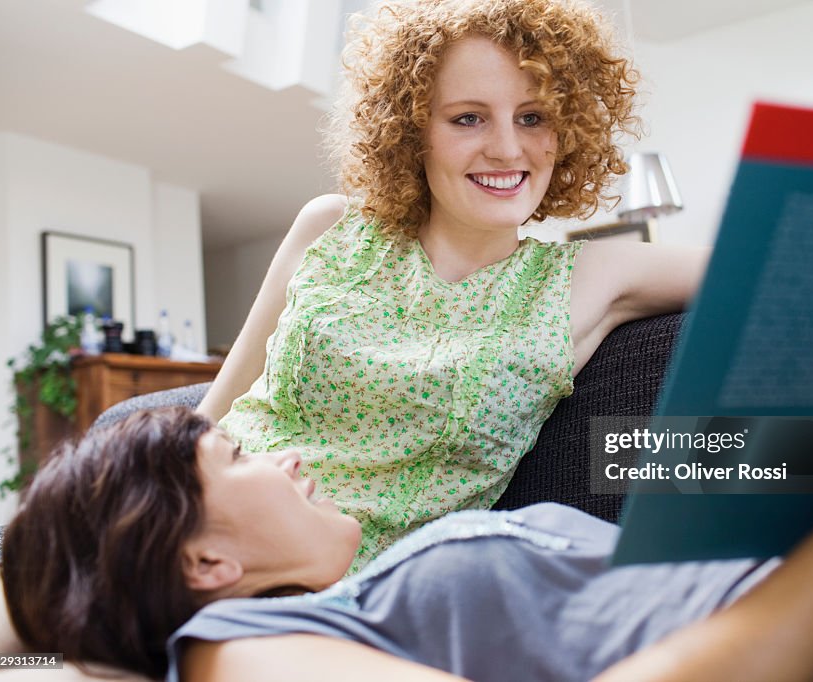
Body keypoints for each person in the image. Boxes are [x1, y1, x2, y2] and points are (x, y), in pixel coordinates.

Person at [0, 245, 813, 682]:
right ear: (200, 560)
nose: (289, 450)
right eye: (240, 450)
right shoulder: (236, 650)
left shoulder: (409, 557)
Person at [194, 0, 710, 569]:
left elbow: (778, 274)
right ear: (412, 131)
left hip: (363, 595)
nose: (508, 148)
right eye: (468, 118)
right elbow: (206, 421)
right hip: (198, 534)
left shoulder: (588, 278)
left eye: (533, 117)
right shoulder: (331, 227)